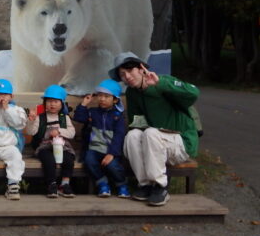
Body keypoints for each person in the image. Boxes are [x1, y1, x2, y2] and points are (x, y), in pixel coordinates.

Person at [109, 52, 200, 207]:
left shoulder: (163, 81)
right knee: (132, 135)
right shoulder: (132, 92)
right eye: (122, 74)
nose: (127, 77)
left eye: (130, 71)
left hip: (181, 143)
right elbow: (137, 122)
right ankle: (145, 184)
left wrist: (160, 84)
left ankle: (160, 186)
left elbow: (193, 93)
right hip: (155, 144)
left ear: (141, 69)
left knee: (151, 132)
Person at [73, 79, 130, 199]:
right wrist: (84, 104)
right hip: (94, 148)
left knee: (113, 166)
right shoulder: (93, 112)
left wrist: (112, 153)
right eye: (100, 95)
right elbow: (79, 117)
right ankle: (102, 183)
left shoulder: (118, 116)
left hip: (111, 150)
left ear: (115, 100)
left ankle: (122, 185)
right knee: (89, 161)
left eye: (106, 96)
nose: (102, 99)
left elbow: (119, 136)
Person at [25, 85, 77, 198]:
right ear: (44, 103)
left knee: (69, 159)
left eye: (55, 101)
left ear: (62, 104)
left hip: (62, 146)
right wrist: (31, 121)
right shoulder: (41, 117)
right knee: (49, 160)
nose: (52, 104)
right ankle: (51, 184)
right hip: (45, 146)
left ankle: (65, 184)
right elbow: (31, 132)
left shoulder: (64, 117)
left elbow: (72, 133)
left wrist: (59, 131)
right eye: (49, 101)